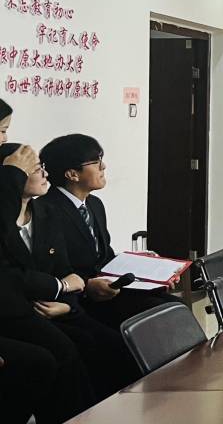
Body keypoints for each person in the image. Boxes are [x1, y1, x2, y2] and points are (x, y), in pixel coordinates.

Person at [1, 142, 139, 401]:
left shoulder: (45, 212)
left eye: (42, 167)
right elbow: (15, 279)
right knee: (66, 352)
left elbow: (65, 272)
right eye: (36, 169)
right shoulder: (8, 222)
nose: (45, 174)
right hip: (22, 311)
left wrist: (67, 304)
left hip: (59, 305)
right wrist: (65, 291)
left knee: (113, 343)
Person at [34, 134, 177, 328]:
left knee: (174, 306)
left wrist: (146, 267)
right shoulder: (45, 211)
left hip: (108, 289)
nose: (103, 166)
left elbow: (104, 256)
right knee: (157, 315)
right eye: (96, 162)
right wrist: (87, 286)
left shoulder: (94, 204)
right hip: (79, 299)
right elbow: (51, 269)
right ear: (72, 174)